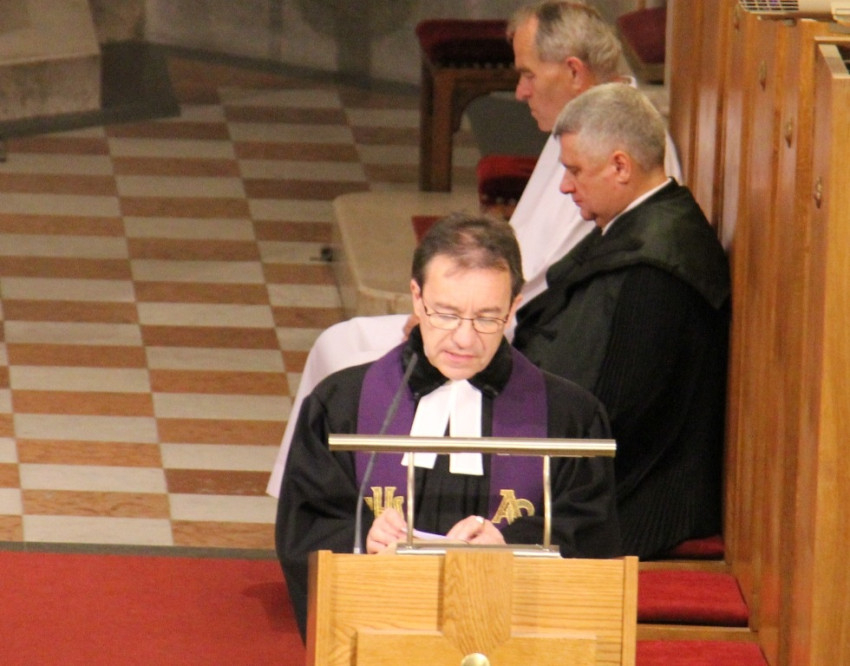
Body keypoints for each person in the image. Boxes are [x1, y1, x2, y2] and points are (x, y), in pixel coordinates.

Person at [266, 1, 682, 496]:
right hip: (496, 312)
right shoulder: (585, 126)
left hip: (511, 332)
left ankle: (350, 508)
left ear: (573, 71)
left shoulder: (607, 144)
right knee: (340, 342)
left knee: (343, 355)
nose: (519, 90)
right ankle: (314, 510)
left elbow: (543, 280)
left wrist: (457, 321)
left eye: (528, 74)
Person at [276, 213, 622, 639]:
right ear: (417, 297)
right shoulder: (341, 405)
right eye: (446, 313)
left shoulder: (570, 418)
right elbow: (307, 526)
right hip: (382, 640)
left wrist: (514, 548)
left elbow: (591, 538)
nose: (464, 339)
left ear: (514, 306)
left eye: (487, 318)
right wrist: (364, 538)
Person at [512, 83, 730, 560]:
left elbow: (617, 413)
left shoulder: (657, 270)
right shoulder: (637, 222)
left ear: (620, 167)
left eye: (574, 171)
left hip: (640, 497)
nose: (565, 186)